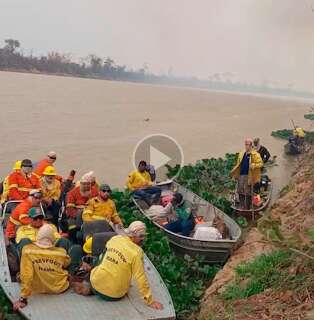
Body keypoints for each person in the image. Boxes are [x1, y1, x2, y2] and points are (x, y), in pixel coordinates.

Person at [76, 221, 163, 310]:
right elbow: (140, 277)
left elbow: (102, 258)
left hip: (95, 284)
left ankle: (90, 285)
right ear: (138, 237)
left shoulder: (115, 239)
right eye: (142, 237)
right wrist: (150, 300)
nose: (143, 240)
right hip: (113, 295)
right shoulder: (137, 252)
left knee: (103, 261)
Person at [13, 224, 71, 310]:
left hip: (35, 289)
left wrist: (23, 299)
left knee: (24, 272)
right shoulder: (61, 252)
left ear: (38, 236)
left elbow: (27, 275)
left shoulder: (27, 251)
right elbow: (66, 263)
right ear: (53, 239)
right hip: (59, 288)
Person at [231, 138, 263, 209]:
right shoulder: (242, 153)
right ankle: (241, 205)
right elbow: (238, 163)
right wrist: (235, 173)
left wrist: (254, 165)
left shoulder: (256, 154)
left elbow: (261, 164)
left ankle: (247, 207)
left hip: (249, 176)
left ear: (251, 145)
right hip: (241, 174)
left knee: (248, 192)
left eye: (247, 144)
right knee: (240, 190)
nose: (246, 146)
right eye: (245, 144)